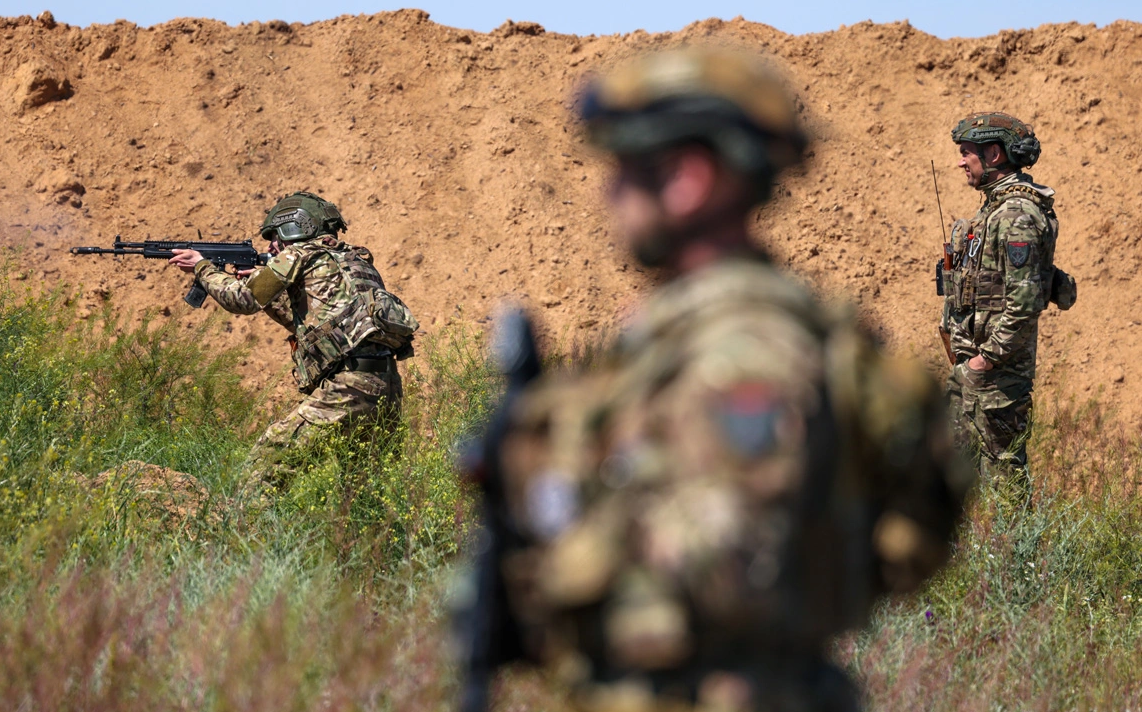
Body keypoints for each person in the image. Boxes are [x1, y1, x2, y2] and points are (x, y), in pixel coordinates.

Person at [457, 48, 973, 712]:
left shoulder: (746, 348)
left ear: (690, 178)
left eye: (625, 170)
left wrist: (562, 534)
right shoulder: (681, 334)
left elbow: (734, 567)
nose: (607, 192)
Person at [168, 191, 418, 489]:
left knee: (261, 471)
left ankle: (245, 535)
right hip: (384, 386)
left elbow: (242, 299)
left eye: (275, 236)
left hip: (347, 385)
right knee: (365, 492)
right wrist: (267, 287)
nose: (272, 245)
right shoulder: (355, 261)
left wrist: (202, 267)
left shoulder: (298, 254)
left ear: (295, 227)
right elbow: (313, 324)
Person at [941, 113, 1075, 493]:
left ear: (995, 154)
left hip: (997, 379)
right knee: (950, 481)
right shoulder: (994, 209)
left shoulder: (1016, 215)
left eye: (967, 153)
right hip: (974, 371)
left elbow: (1024, 302)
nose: (960, 161)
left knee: (1006, 488)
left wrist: (987, 361)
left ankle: (1016, 553)